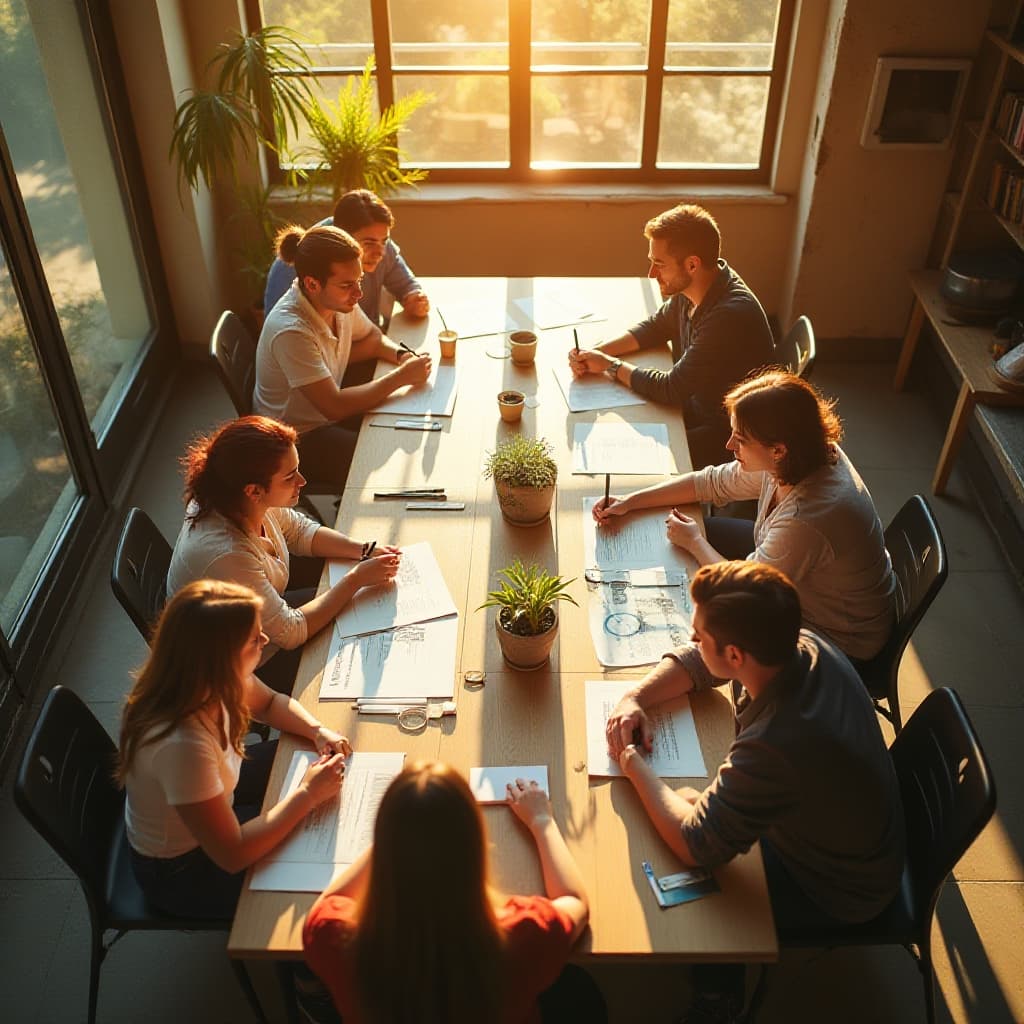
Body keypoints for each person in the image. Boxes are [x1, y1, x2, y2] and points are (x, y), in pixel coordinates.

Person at [606, 561, 905, 1023]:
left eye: (699, 634)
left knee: (677, 862)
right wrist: (634, 699)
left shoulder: (779, 743)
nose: (691, 639)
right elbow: (702, 666)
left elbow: (695, 845)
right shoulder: (803, 643)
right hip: (862, 835)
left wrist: (631, 761)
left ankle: (719, 998)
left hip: (839, 886)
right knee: (683, 799)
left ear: (736, 655)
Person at [594, 369, 895, 661]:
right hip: (804, 581)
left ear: (778, 449)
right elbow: (712, 482)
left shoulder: (807, 519)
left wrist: (696, 542)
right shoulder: (797, 455)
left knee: (715, 622)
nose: (728, 445)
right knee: (696, 534)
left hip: (840, 638)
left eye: (740, 439)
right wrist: (631, 502)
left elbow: (747, 593)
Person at [300, 761, 605, 1024]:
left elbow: (327, 904)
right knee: (579, 990)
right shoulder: (523, 936)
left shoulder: (333, 937)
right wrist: (542, 820)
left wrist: (401, 833)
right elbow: (575, 902)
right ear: (474, 847)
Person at [117, 579, 350, 919]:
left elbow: (270, 704)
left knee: (310, 759)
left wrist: (318, 731)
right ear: (223, 660)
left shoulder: (201, 674)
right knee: (313, 889)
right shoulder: (182, 745)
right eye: (255, 639)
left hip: (218, 800)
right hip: (184, 870)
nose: (266, 641)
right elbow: (233, 853)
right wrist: (308, 795)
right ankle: (302, 967)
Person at [167, 416, 401, 693]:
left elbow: (299, 531)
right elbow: (291, 633)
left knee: (363, 615)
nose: (302, 481)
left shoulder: (237, 497)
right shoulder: (225, 555)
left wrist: (362, 550)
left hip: (263, 623)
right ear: (254, 491)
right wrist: (355, 579)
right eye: (290, 477)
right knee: (366, 647)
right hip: (240, 667)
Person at [568, 203, 775, 469]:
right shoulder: (698, 288)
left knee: (636, 457)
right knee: (626, 418)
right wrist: (595, 353)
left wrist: (610, 366)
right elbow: (655, 327)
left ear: (692, 265)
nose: (651, 274)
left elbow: (672, 389)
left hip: (730, 437)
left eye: (659, 264)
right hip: (698, 407)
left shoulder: (727, 317)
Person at [254, 224, 432, 488]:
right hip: (294, 439)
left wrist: (401, 355)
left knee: (398, 424)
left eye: (359, 281)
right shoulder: (290, 330)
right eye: (348, 285)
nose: (358, 294)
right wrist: (402, 376)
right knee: (380, 458)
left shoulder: (334, 300)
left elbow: (372, 338)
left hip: (323, 411)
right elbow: (335, 407)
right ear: (312, 284)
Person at [264, 189, 429, 326]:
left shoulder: (379, 245)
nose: (380, 253)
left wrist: (414, 297)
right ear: (344, 238)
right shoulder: (300, 264)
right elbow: (304, 345)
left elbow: (405, 282)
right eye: (369, 243)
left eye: (384, 241)